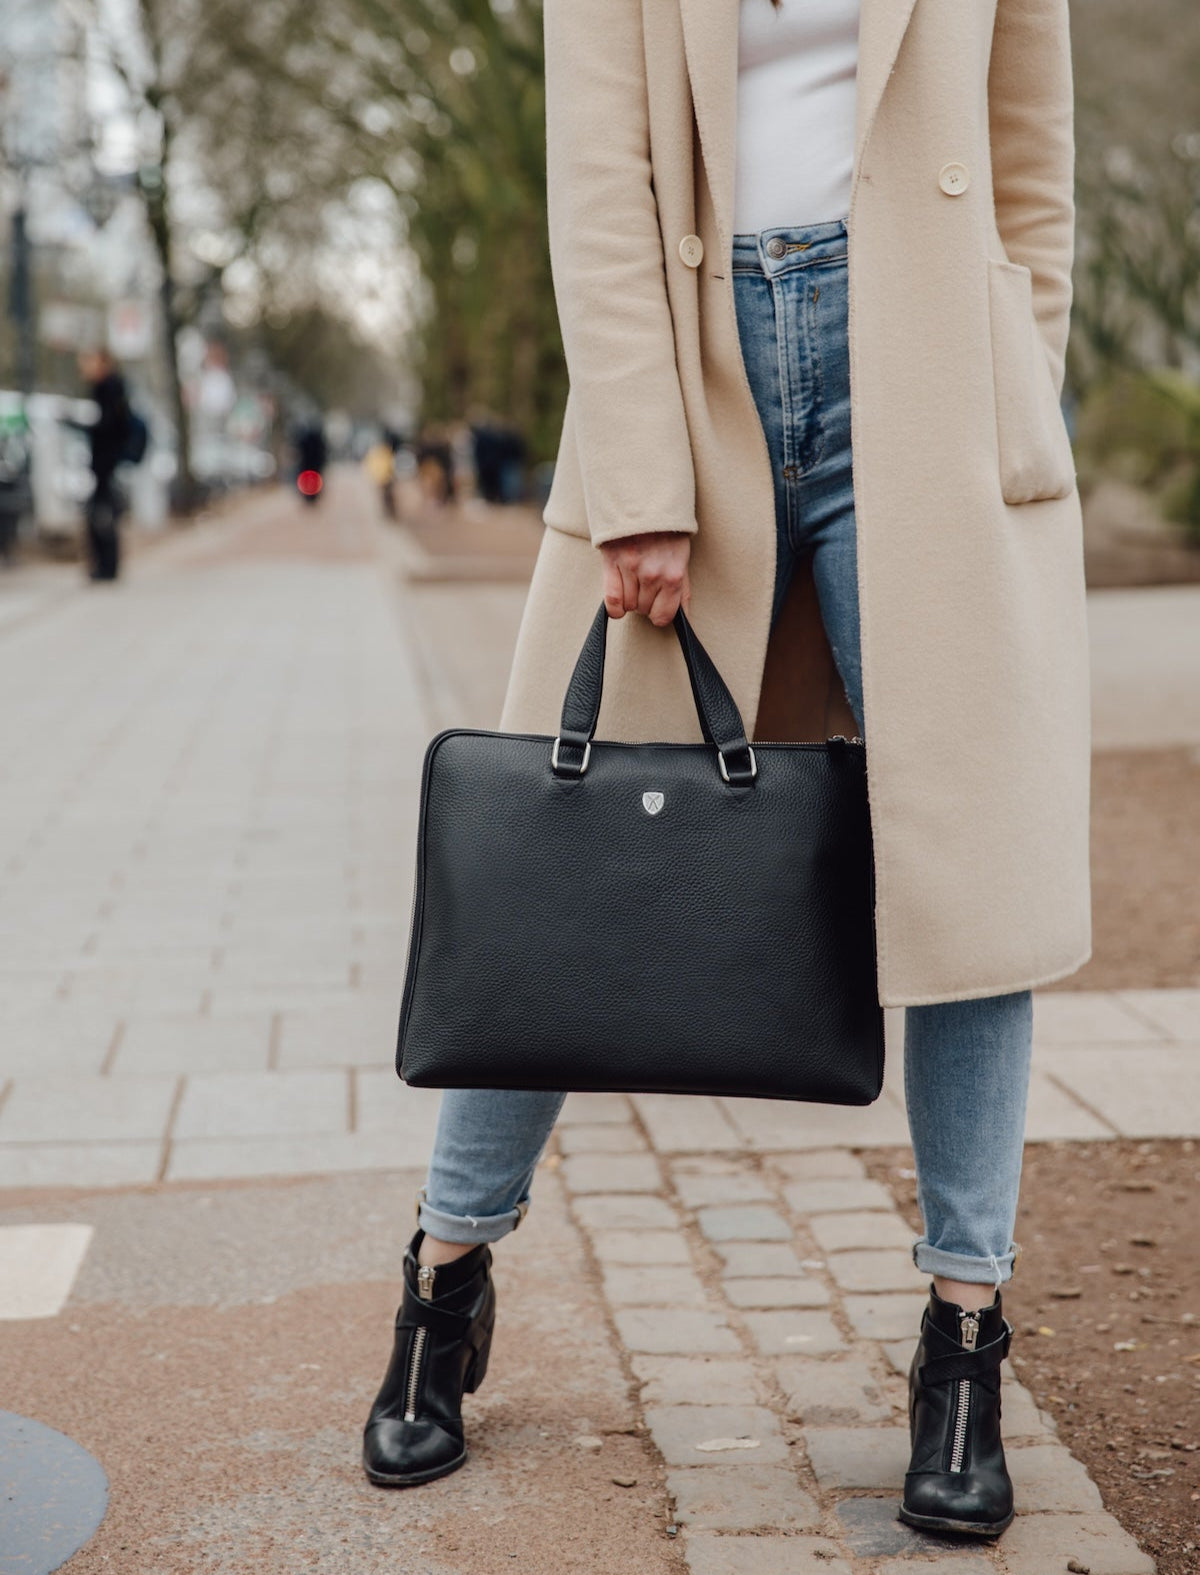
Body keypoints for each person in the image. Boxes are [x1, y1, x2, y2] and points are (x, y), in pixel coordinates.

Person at [363, 0, 1090, 1541]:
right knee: (548, 876)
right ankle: (444, 1273)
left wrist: (1017, 377)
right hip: (697, 377)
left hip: (932, 390)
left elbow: (1033, 157)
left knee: (970, 873)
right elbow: (600, 179)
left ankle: (964, 1334)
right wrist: (637, 470)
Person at [76, 348, 132, 581]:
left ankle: (106, 566)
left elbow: (110, 426)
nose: (84, 367)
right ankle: (105, 566)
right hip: (106, 462)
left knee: (102, 516)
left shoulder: (109, 388)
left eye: (89, 361)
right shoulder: (109, 388)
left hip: (105, 463)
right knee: (102, 515)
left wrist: (85, 427)